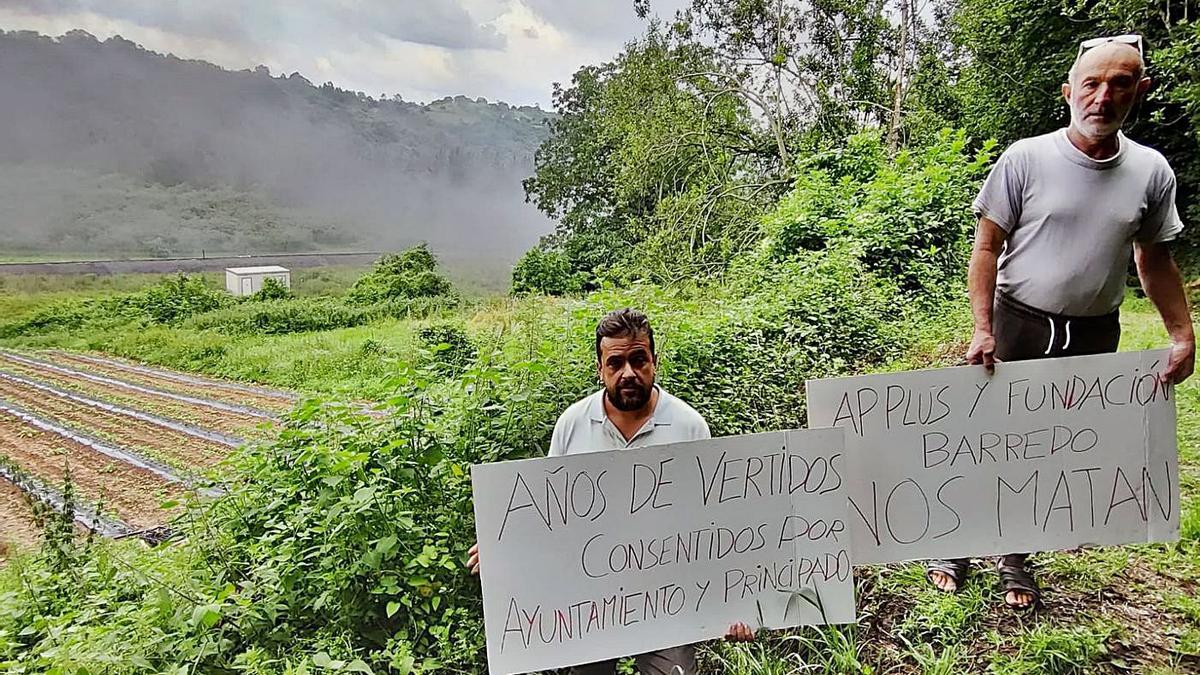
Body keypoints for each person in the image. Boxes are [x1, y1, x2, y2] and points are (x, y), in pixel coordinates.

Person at [926, 34, 1195, 610]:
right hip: (1016, 320)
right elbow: (985, 248)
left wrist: (1181, 333)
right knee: (982, 441)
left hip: (1095, 332)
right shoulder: (1026, 157)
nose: (1104, 96)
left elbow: (1154, 259)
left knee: (1046, 451)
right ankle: (953, 544)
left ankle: (1015, 556)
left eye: (1121, 83)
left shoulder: (1151, 172)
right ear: (1069, 91)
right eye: (1092, 84)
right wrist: (981, 327)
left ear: (1139, 91)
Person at [467, 308, 754, 674]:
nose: (628, 373)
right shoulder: (572, 425)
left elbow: (715, 522)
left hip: (670, 602)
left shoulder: (689, 426)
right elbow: (551, 514)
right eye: (616, 363)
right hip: (591, 605)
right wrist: (504, 548)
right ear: (600, 368)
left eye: (639, 360)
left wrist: (739, 604)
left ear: (654, 362)